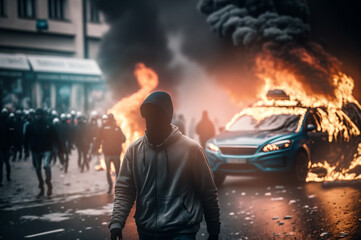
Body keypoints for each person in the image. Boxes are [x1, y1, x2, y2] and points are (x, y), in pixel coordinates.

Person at [109, 91, 220, 240]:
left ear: (166, 117)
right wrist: (117, 222)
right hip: (146, 231)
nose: (150, 121)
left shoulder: (191, 150)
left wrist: (214, 230)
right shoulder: (134, 151)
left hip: (182, 230)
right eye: (147, 116)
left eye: (156, 115)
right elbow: (124, 190)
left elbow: (207, 192)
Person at [25, 108, 62, 197]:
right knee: (37, 168)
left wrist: (60, 149)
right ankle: (41, 185)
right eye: (37, 115)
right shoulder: (31, 125)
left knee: (46, 165)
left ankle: (48, 183)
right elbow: (26, 138)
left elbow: (56, 137)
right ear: (35, 115)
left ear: (43, 115)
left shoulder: (49, 125)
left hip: (47, 149)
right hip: (36, 150)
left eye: (40, 115)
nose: (39, 116)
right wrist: (26, 149)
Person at [97, 113, 126, 194]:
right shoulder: (117, 128)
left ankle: (110, 187)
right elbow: (124, 139)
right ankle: (119, 188)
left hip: (107, 154)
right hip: (116, 153)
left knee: (108, 171)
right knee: (118, 171)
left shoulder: (103, 128)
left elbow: (98, 139)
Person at [0, 108, 13, 186]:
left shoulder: (9, 122)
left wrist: (11, 144)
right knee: (1, 163)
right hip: (1, 146)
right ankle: (1, 179)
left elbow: (11, 132)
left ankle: (8, 175)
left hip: (7, 146)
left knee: (7, 162)